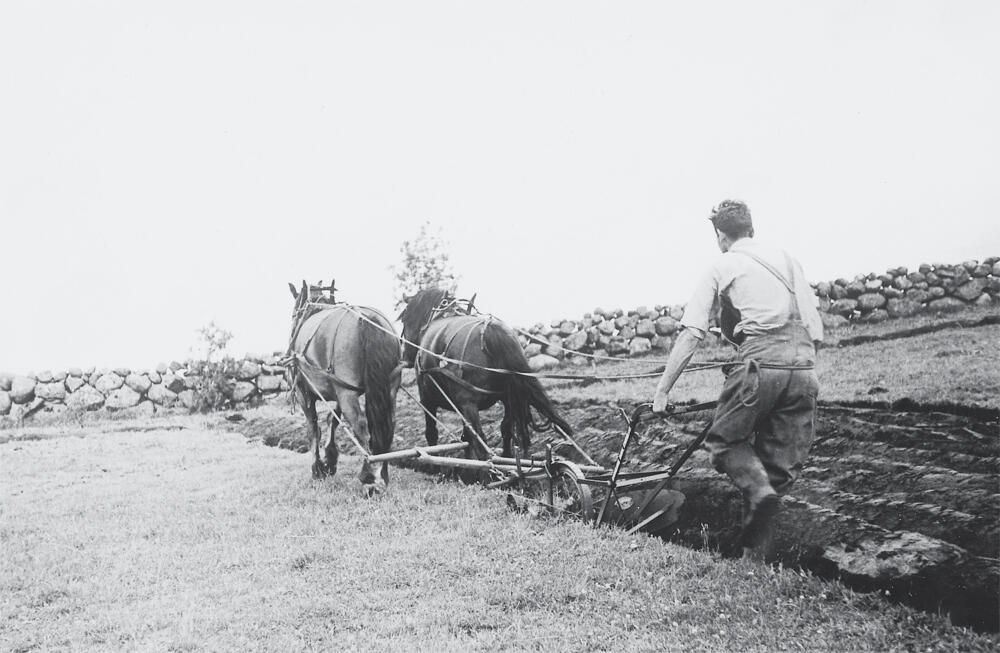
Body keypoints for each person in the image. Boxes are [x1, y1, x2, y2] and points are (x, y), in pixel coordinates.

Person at [652, 199, 823, 555]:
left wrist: (662, 391)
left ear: (719, 235)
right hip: (806, 370)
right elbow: (815, 327)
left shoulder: (722, 265)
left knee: (726, 442)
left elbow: (692, 333)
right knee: (775, 469)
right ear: (752, 229)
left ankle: (758, 493)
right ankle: (753, 560)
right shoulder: (789, 260)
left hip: (760, 365)